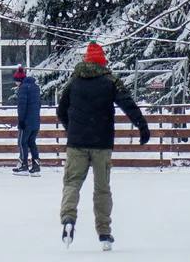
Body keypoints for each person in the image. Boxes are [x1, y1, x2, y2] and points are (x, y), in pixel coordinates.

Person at [55, 42, 150, 250]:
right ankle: (104, 232)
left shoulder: (74, 81)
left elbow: (61, 110)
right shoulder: (110, 80)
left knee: (72, 183)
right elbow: (128, 103)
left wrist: (72, 129)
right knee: (101, 189)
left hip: (77, 144)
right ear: (102, 61)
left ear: (86, 60)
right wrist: (141, 125)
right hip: (101, 143)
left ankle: (68, 220)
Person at [13, 65, 42, 175]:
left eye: (16, 81)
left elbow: (22, 106)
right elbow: (38, 104)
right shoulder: (35, 87)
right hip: (35, 120)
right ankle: (36, 165)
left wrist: (21, 120)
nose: (15, 83)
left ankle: (23, 164)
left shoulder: (23, 88)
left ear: (19, 80)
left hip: (26, 121)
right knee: (32, 142)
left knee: (22, 142)